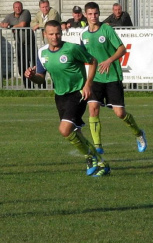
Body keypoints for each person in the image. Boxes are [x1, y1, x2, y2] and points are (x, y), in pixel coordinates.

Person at [24, 20, 110, 176]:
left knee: (65, 130)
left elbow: (93, 61)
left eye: (57, 33)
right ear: (45, 35)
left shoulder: (72, 49)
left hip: (78, 92)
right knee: (75, 132)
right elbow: (41, 78)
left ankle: (90, 157)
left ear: (61, 33)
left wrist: (88, 84)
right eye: (51, 34)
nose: (55, 37)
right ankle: (102, 163)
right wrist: (31, 77)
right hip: (60, 96)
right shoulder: (42, 53)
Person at [80, 1, 146, 154]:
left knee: (120, 113)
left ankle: (138, 133)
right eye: (90, 14)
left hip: (112, 77)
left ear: (99, 14)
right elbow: (85, 57)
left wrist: (110, 60)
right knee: (93, 109)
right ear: (85, 15)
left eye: (95, 13)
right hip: (95, 78)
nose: (93, 16)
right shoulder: (83, 35)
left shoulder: (106, 29)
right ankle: (98, 146)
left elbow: (122, 49)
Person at [1, 1, 37, 88]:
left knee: (35, 64)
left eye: (19, 7)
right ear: (13, 8)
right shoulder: (10, 16)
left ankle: (41, 85)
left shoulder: (26, 12)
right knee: (22, 66)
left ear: (22, 7)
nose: (18, 9)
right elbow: (2, 24)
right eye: (16, 7)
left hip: (30, 44)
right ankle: (28, 87)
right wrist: (4, 25)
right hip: (19, 44)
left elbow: (23, 24)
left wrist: (12, 26)